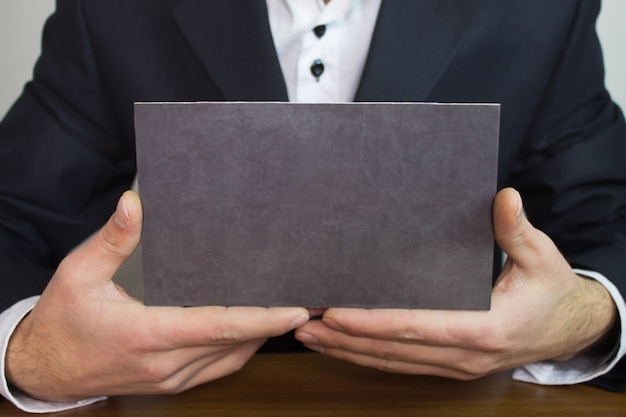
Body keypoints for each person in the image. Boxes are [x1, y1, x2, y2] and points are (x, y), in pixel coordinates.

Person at [1, 0, 625, 413]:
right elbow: (12, 212)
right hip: (204, 400)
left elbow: (610, 214)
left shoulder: (544, 9)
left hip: (452, 399)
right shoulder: (113, 11)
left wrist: (585, 317)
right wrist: (28, 352)